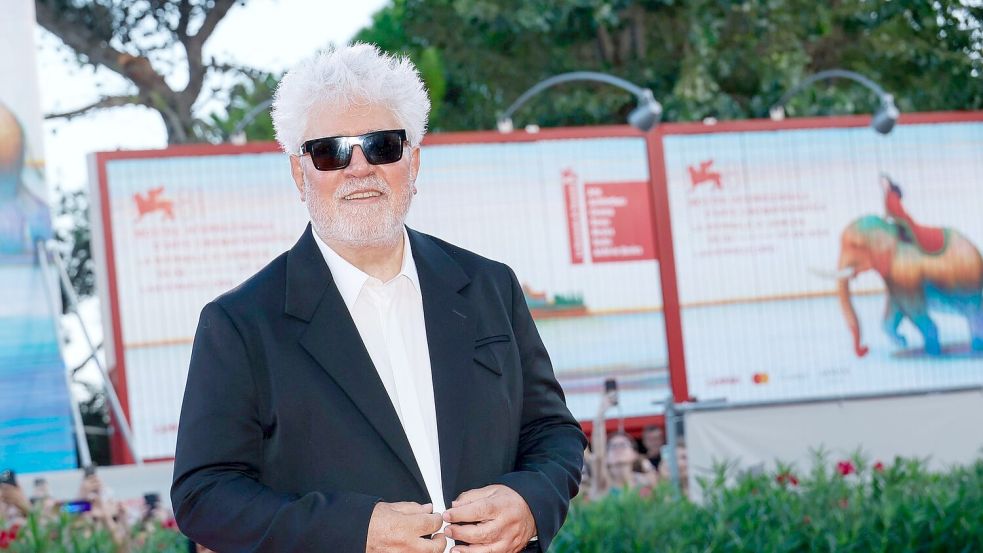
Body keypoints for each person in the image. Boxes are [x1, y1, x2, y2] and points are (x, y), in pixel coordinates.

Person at [171, 43, 586, 553]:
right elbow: (203, 496)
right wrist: (352, 532)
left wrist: (531, 501)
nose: (359, 168)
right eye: (330, 150)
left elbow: (552, 432)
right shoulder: (239, 324)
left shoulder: (488, 287)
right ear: (300, 175)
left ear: (413, 162)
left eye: (383, 145)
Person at [588, 391, 659, 499]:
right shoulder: (603, 484)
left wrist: (646, 465)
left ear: (634, 454)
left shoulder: (644, 482)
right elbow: (599, 455)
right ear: (607, 457)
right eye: (613, 446)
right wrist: (600, 414)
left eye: (623, 445)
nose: (618, 449)